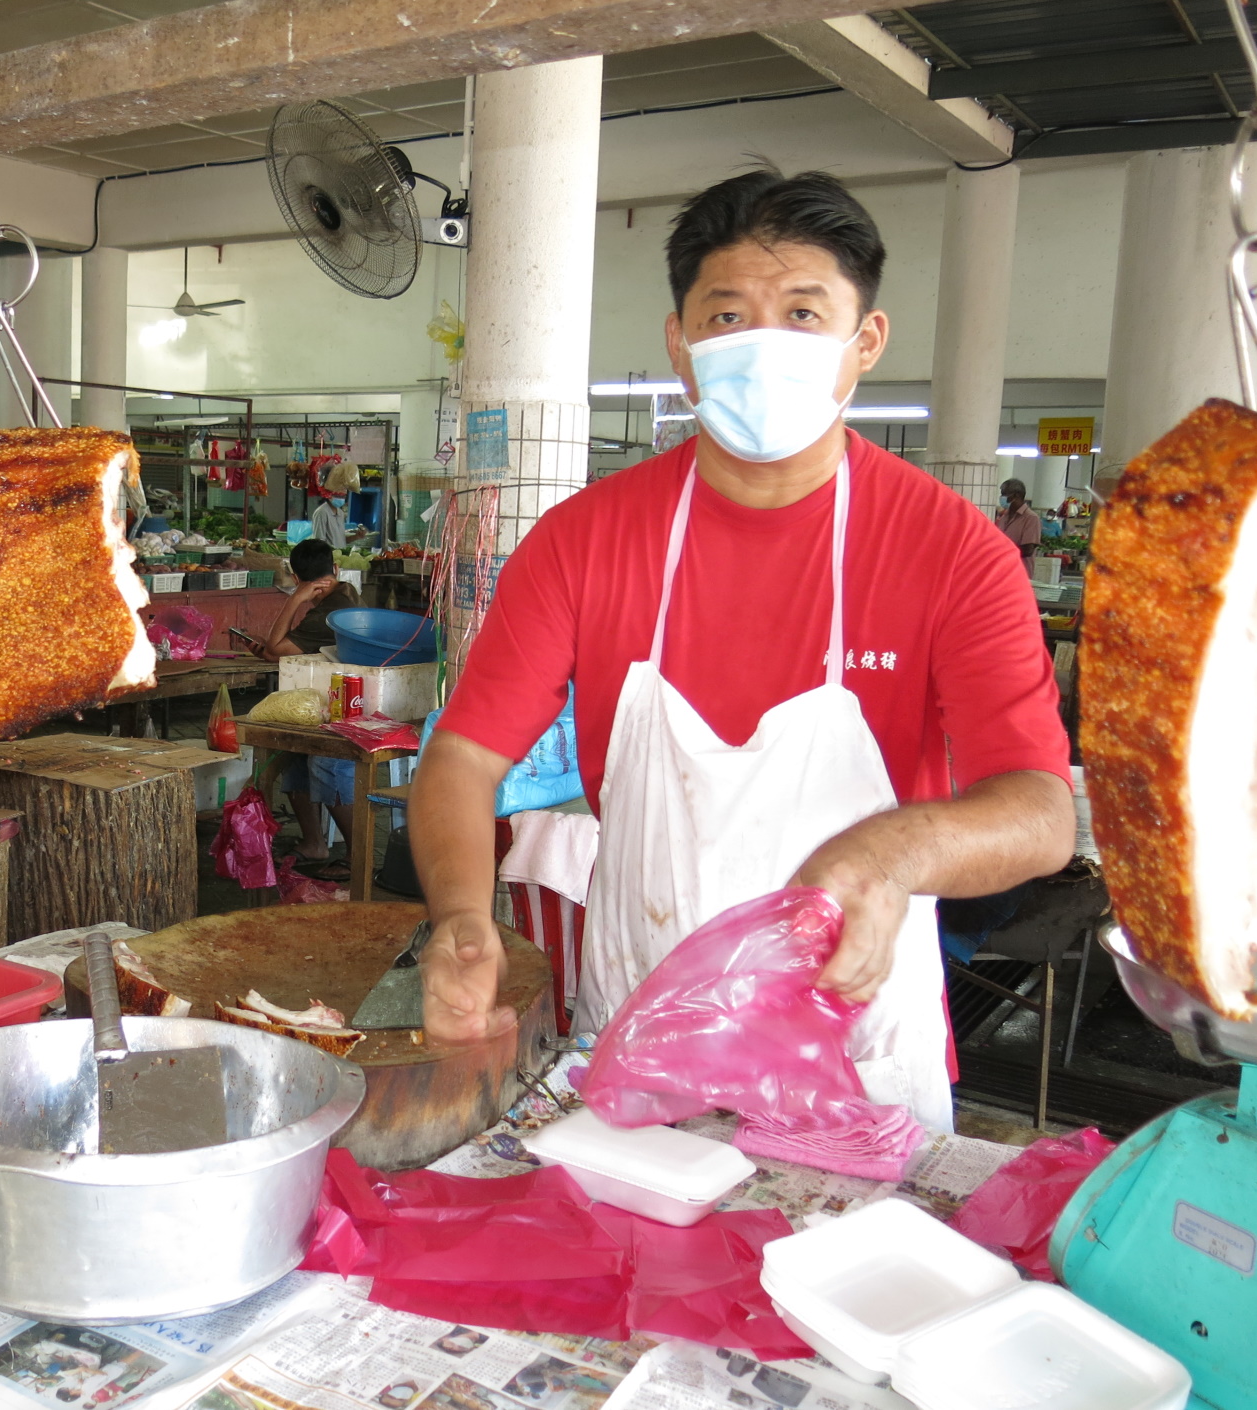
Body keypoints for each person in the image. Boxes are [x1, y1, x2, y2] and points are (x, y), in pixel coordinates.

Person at [409, 168, 1073, 1131]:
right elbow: (465, 756)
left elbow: (1040, 812)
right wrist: (465, 917)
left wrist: (893, 853)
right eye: (727, 316)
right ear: (680, 345)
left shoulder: (953, 550)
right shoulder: (584, 541)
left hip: (855, 1049)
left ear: (865, 341)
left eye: (803, 313)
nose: (764, 344)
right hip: (640, 1033)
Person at [250, 539, 362, 875]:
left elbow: (276, 647)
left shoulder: (329, 612)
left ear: (298, 579)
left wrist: (295, 599)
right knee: (295, 754)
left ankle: (359, 856)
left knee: (327, 764)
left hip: (349, 705)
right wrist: (273, 652)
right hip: (328, 698)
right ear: (335, 569)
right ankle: (314, 843)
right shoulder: (345, 591)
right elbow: (285, 652)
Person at [995, 478, 1043, 573]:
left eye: (1004, 494)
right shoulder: (1004, 517)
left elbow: (1028, 550)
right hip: (1002, 570)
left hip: (1019, 572)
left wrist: (1003, 553)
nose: (1001, 498)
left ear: (1016, 495)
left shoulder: (1031, 518)